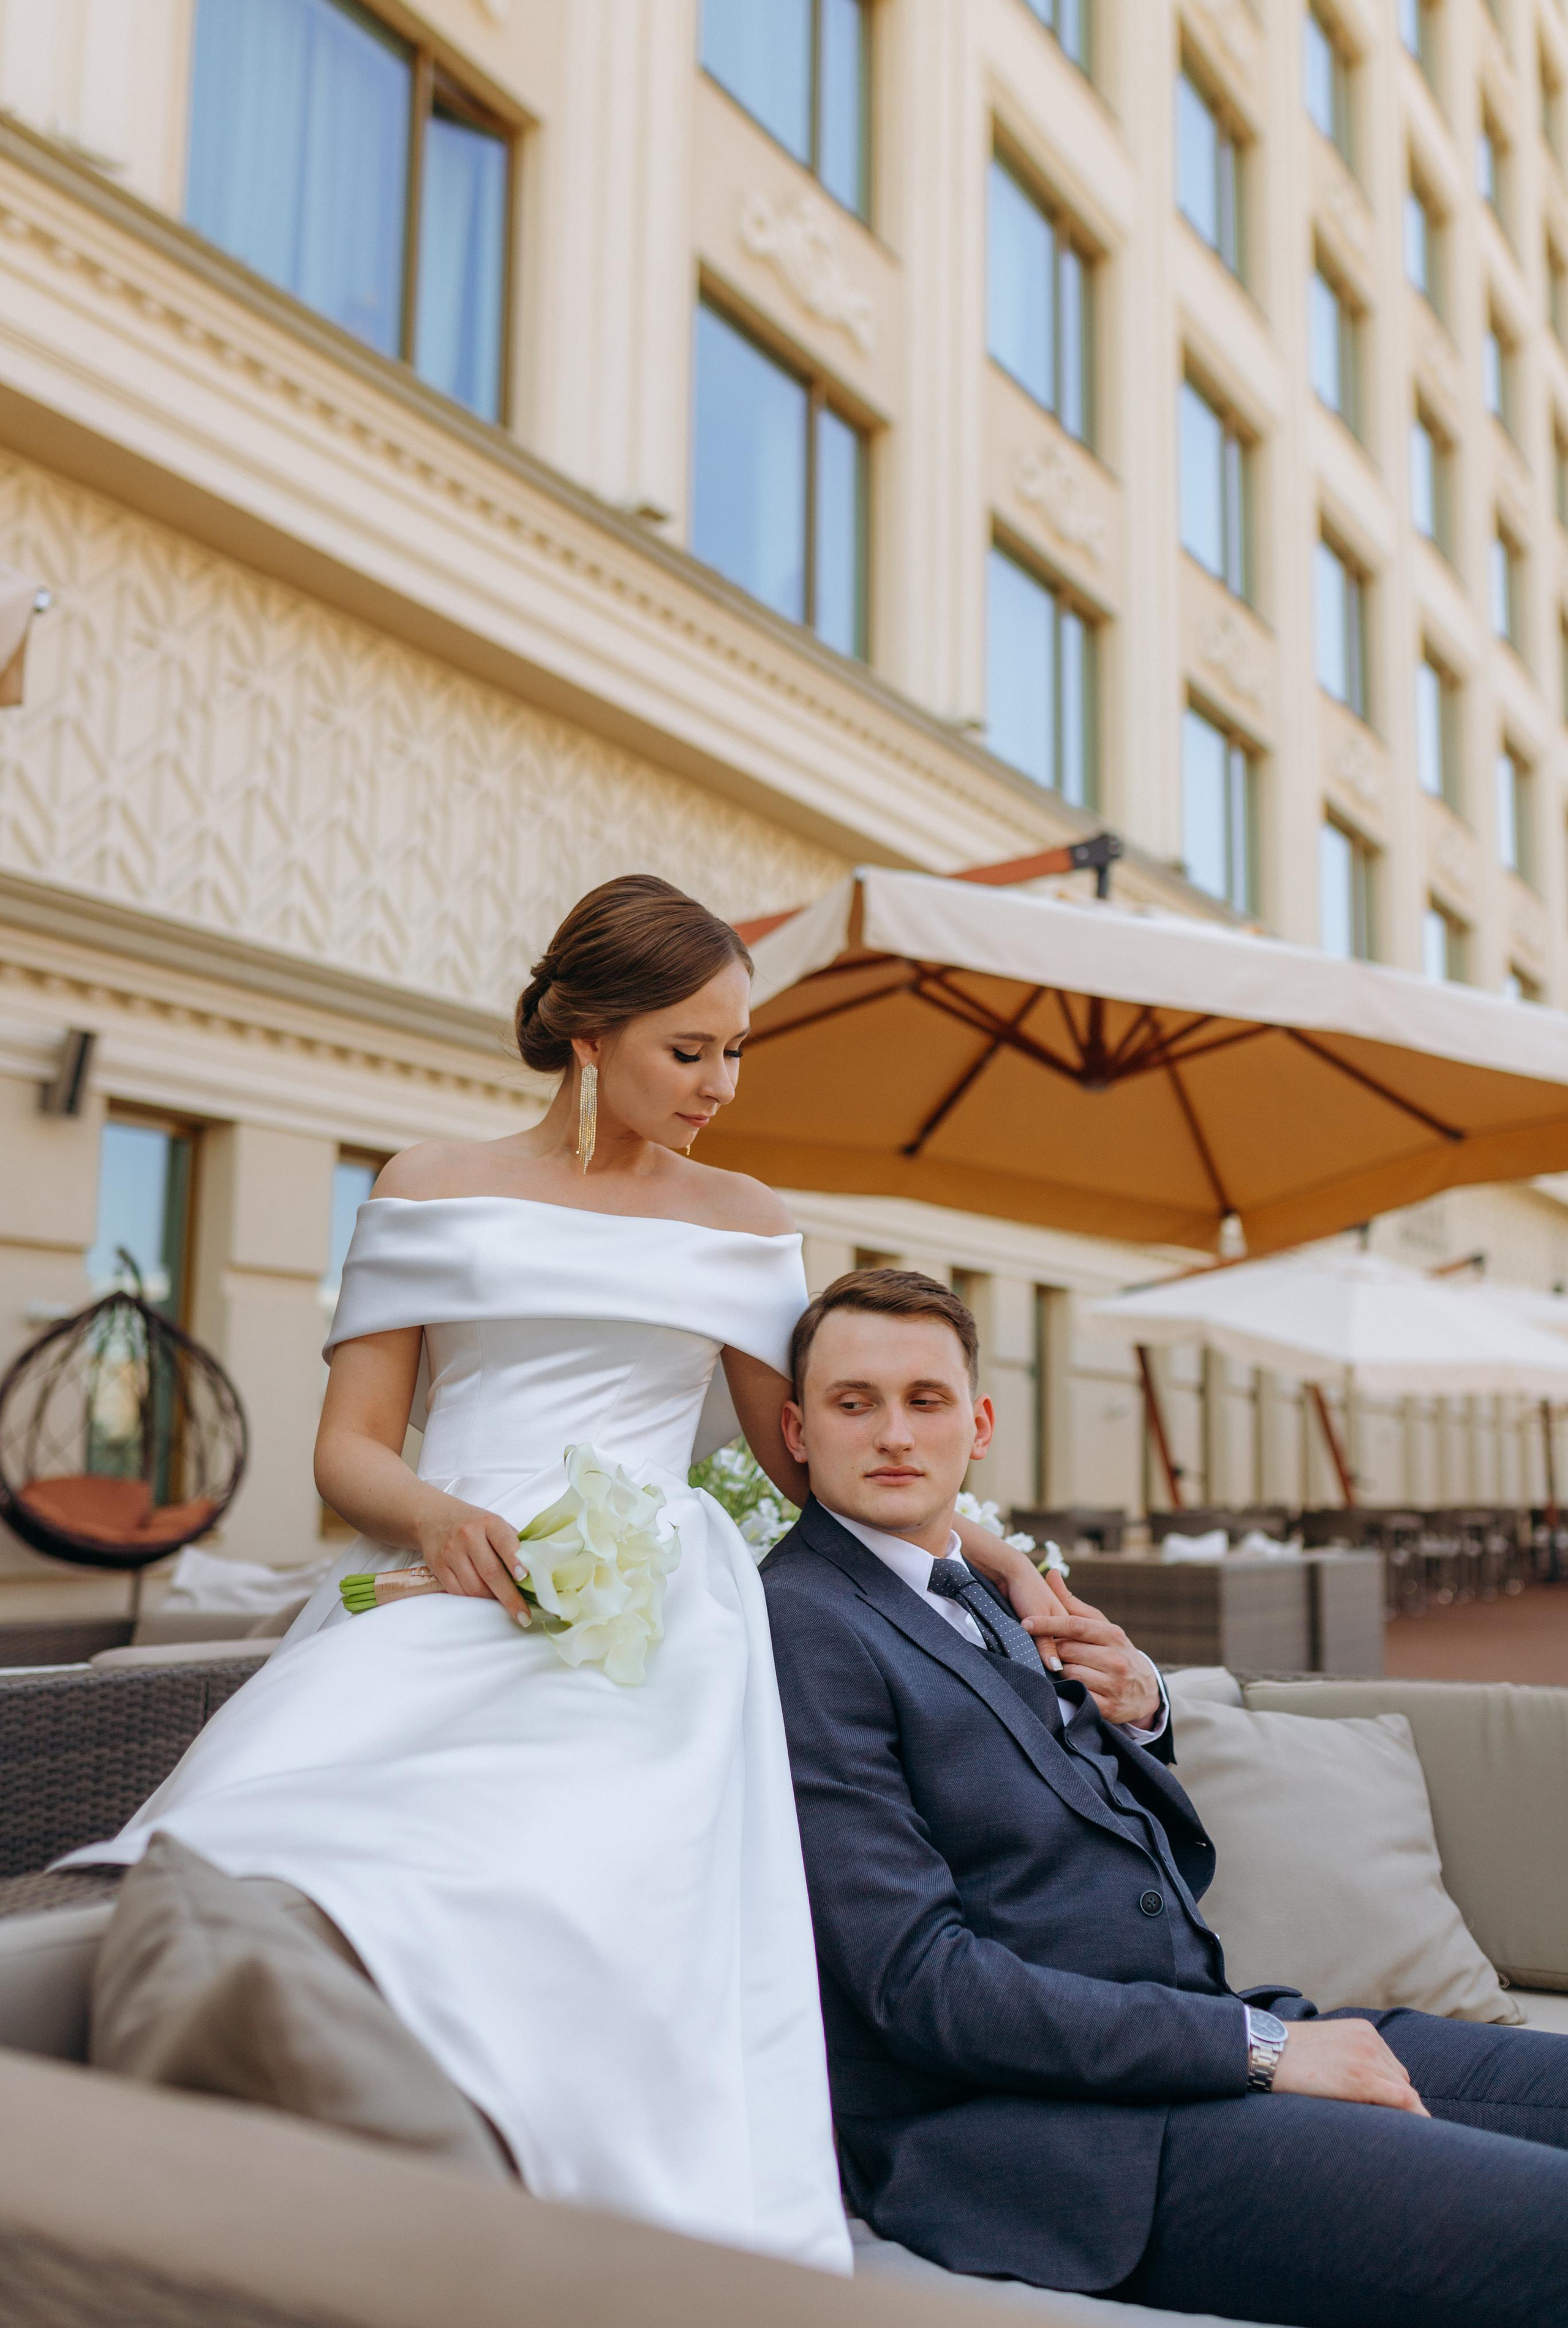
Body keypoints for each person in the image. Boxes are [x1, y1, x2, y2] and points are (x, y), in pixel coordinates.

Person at [64, 874, 1057, 2275]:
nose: (720, 1083)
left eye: (735, 1050)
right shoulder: (425, 1185)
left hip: (656, 1604)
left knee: (602, 1858)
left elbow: (807, 1457)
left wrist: (994, 1552)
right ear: (589, 1034)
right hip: (438, 1575)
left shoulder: (744, 1220)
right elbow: (345, 1452)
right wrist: (439, 1516)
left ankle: (602, 2215)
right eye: (688, 1049)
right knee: (302, 1815)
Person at [761, 1267, 1568, 2328]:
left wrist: (1140, 1710)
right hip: (1056, 2141)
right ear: (798, 1430)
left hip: (1203, 2041)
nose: (895, 1434)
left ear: (980, 1424)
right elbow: (921, 1985)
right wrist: (1267, 2051)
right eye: (853, 1402)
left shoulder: (984, 1589)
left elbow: (1085, 1807)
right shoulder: (802, 1620)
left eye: (927, 1400)